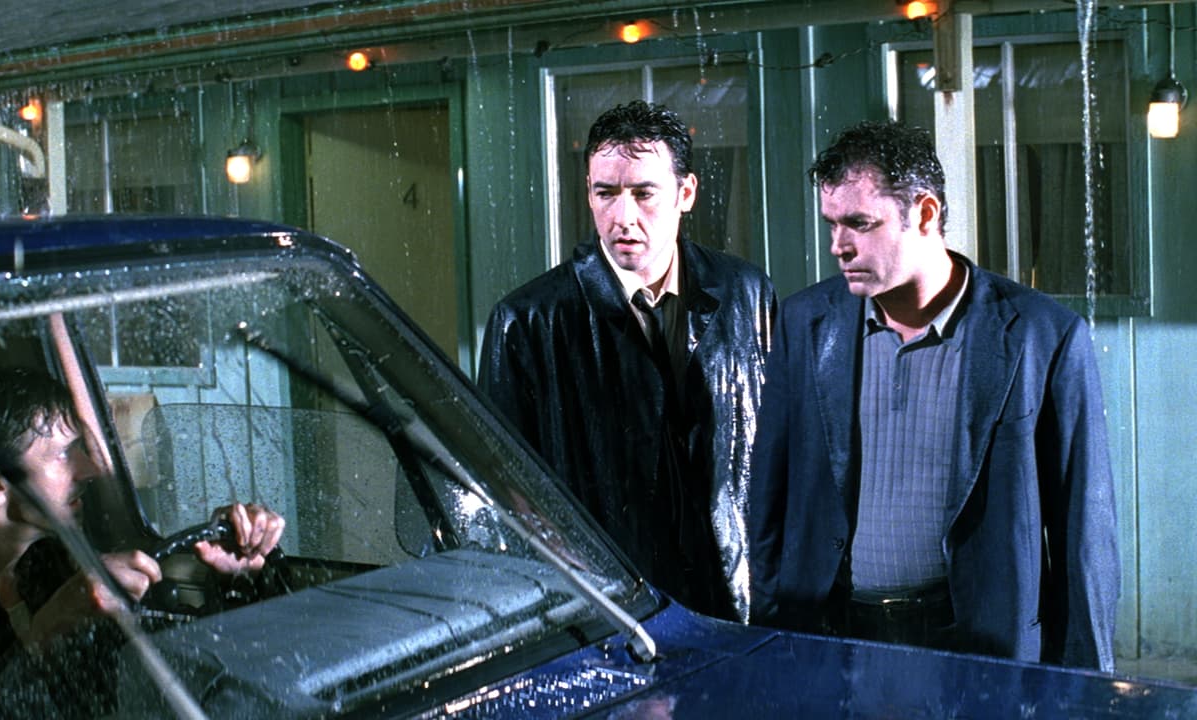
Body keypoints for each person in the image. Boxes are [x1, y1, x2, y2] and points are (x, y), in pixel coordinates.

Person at [748, 121, 1119, 670]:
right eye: (831, 224)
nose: (838, 246)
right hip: (832, 637)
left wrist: (1087, 687)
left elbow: (1083, 533)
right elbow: (768, 496)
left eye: (859, 224)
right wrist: (769, 632)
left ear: (924, 214)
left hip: (978, 644)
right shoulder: (806, 324)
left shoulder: (1042, 335)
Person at [479, 100, 776, 622]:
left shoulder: (746, 293)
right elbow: (502, 498)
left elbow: (779, 454)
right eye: (605, 193)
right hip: (607, 610)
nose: (623, 218)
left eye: (643, 193)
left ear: (686, 194)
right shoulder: (527, 322)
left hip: (734, 596)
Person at [0, 366, 285, 716]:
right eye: (63, 454)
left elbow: (158, 681)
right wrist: (47, 631)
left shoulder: (53, 561)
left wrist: (238, 580)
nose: (90, 469)